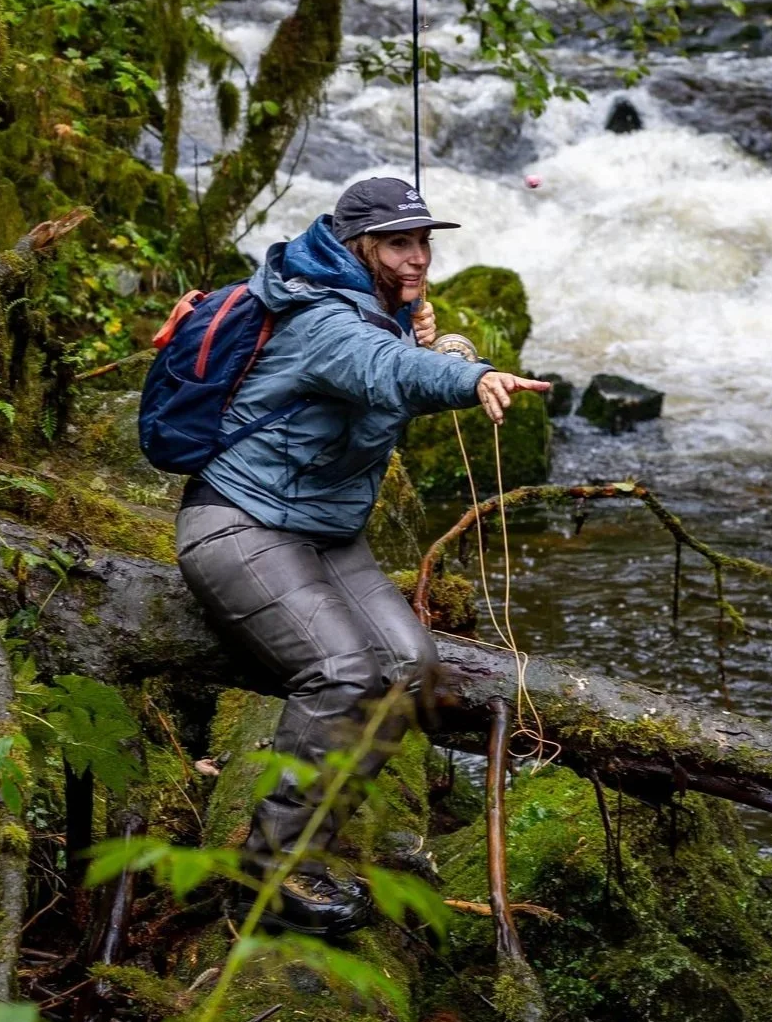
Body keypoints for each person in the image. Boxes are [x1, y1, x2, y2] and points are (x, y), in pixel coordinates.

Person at [176, 176, 545, 936]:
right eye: (399, 244)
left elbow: (398, 362)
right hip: (239, 522)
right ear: (358, 247)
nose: (419, 258)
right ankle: (267, 870)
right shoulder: (324, 318)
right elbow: (387, 371)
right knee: (343, 672)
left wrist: (427, 338)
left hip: (324, 531)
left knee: (411, 668)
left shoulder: (381, 310)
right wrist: (470, 374)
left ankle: (308, 844)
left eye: (423, 243)